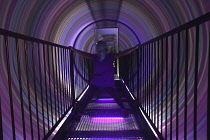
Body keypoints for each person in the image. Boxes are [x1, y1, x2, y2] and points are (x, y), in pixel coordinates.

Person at [69, 41, 138, 119]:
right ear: (106, 48)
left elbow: (83, 54)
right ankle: (124, 110)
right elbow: (123, 53)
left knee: (87, 97)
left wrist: (74, 49)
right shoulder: (111, 56)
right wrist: (134, 48)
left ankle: (79, 113)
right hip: (108, 81)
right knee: (116, 96)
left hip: (96, 81)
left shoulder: (95, 57)